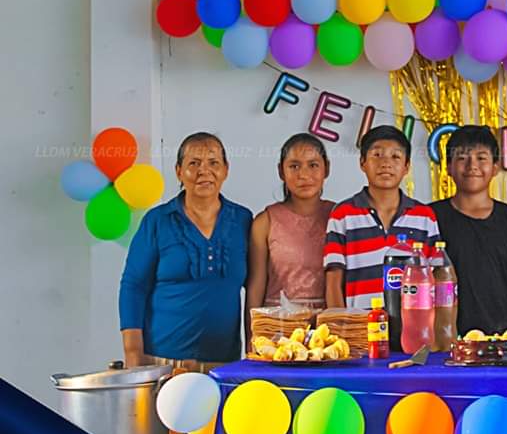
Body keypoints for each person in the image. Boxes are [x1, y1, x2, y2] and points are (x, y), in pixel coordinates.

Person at [119, 132, 252, 372]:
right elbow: (133, 287)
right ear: (179, 171)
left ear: (225, 170)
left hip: (224, 367)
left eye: (213, 163)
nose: (205, 171)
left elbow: (256, 287)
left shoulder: (243, 220)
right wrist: (133, 355)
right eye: (194, 163)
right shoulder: (158, 221)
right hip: (162, 365)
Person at [431, 125, 507, 335]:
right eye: (462, 158)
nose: (472, 166)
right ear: (448, 167)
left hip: (504, 339)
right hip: (447, 339)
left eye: (481, 158)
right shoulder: (430, 217)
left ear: (495, 167)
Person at [324, 125, 439, 310]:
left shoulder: (424, 217)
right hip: (360, 327)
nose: (386, 163)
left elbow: (436, 278)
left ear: (406, 167)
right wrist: (341, 327)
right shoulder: (343, 215)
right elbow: (333, 280)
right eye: (377, 155)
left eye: (395, 157)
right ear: (362, 163)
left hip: (412, 327)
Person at [245, 134, 335, 344]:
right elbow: (256, 284)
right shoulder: (265, 221)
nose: (304, 174)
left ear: (326, 169)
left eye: (313, 165)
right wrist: (252, 336)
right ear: (281, 171)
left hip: (326, 331)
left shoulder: (340, 217)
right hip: (277, 330)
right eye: (294, 166)